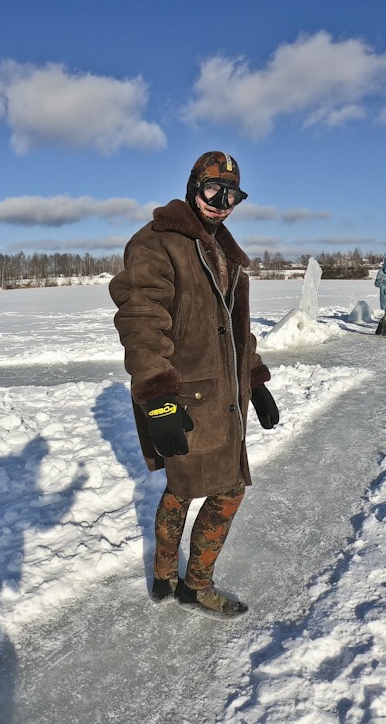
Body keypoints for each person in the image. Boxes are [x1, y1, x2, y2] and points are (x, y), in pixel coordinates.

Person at [109, 151, 279, 618]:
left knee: (183, 488)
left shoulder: (222, 249)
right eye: (212, 190)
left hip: (224, 396)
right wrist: (158, 398)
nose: (221, 202)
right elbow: (142, 320)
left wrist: (255, 378)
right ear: (192, 187)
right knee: (227, 487)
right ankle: (194, 585)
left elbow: (237, 328)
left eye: (232, 196)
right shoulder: (156, 244)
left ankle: (166, 574)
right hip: (185, 396)